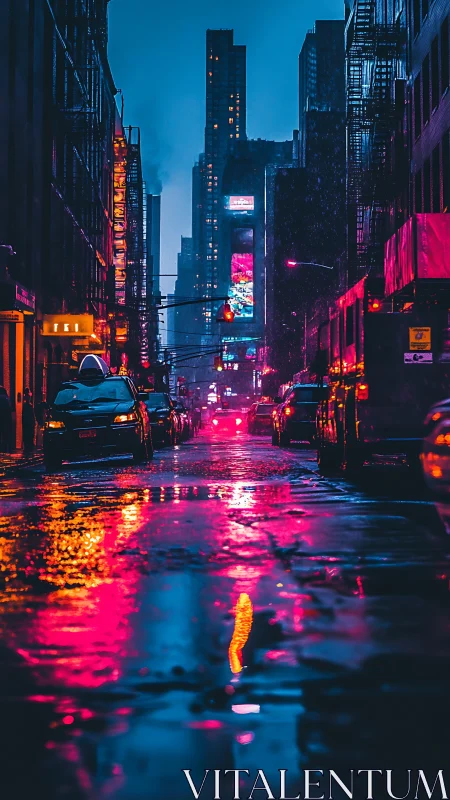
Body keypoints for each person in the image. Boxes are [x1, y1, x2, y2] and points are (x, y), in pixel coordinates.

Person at [22, 388, 36, 453]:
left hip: (27, 424)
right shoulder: (27, 406)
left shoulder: (27, 406)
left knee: (28, 437)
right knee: (29, 437)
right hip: (28, 424)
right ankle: (28, 449)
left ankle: (28, 449)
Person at [0, 386, 12, 452]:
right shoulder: (6, 398)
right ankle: (6, 449)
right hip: (6, 420)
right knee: (5, 435)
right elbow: (9, 408)